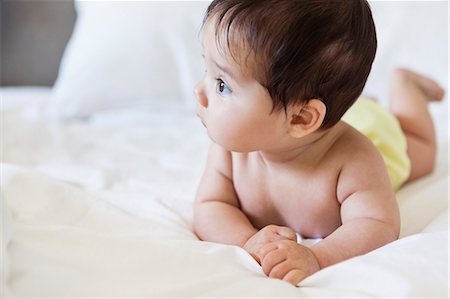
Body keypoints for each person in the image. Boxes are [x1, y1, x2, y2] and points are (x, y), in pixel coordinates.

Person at [193, 0, 445, 286]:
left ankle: (405, 86)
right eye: (207, 70)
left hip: (376, 130)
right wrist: (248, 240)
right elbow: (210, 206)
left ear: (300, 118)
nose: (199, 90)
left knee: (419, 152)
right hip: (320, 112)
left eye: (222, 84)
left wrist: (318, 257)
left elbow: (377, 225)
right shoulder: (230, 152)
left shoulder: (357, 161)